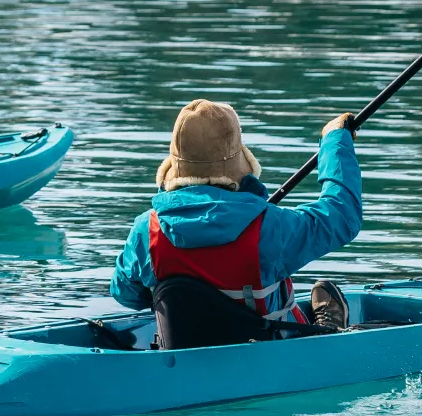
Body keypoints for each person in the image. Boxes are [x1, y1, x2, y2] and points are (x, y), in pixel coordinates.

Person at [108, 99, 362, 349]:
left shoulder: (146, 230)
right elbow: (342, 214)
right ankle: (330, 329)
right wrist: (334, 140)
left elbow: (125, 294)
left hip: (181, 360)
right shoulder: (270, 228)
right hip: (269, 356)